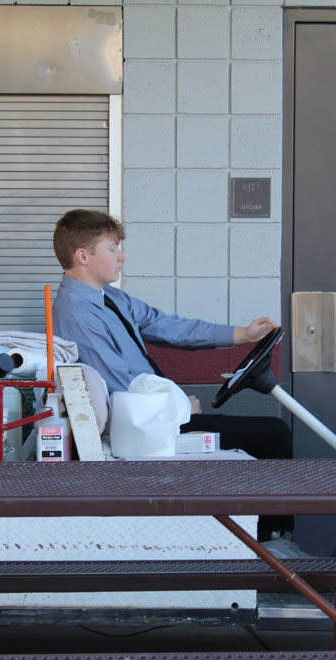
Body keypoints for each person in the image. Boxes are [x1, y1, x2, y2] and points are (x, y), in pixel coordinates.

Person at [52, 209, 293, 540]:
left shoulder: (109, 298)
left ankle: (264, 541)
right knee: (274, 434)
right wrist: (179, 407)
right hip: (146, 429)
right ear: (82, 256)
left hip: (162, 413)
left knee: (269, 433)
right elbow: (119, 388)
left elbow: (164, 326)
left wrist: (241, 335)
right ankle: (264, 548)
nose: (121, 257)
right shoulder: (78, 314)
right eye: (112, 249)